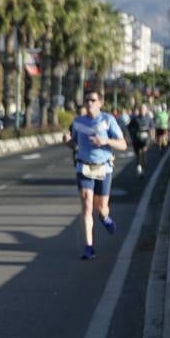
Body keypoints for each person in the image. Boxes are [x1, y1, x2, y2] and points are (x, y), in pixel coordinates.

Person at [65, 90, 127, 260]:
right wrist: (67, 141)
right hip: (84, 167)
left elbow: (123, 145)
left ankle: (105, 217)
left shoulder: (108, 120)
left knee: (101, 208)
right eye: (87, 100)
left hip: (103, 168)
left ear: (100, 103)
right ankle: (89, 247)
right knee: (87, 205)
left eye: (93, 100)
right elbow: (74, 144)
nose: (89, 103)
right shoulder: (78, 122)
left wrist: (106, 141)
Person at [130, 104, 154, 177]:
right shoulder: (135, 119)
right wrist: (133, 132)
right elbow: (130, 128)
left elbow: (152, 128)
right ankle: (139, 166)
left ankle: (142, 170)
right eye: (141, 109)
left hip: (145, 140)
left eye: (144, 109)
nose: (142, 110)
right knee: (138, 155)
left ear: (146, 110)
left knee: (143, 153)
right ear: (139, 110)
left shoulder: (149, 118)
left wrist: (152, 137)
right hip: (136, 140)